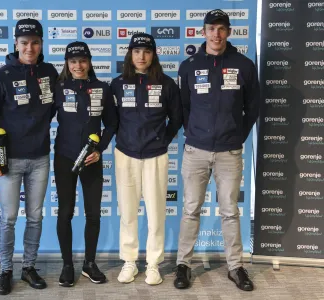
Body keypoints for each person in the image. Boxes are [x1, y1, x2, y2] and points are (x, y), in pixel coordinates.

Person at [174, 9, 260, 291]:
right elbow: (184, 107)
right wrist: (195, 133)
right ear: (203, 31)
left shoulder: (244, 65)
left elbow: (253, 107)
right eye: (211, 28)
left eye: (222, 28)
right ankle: (183, 265)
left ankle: (235, 267)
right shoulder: (188, 65)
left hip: (229, 152)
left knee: (230, 211)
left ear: (229, 32)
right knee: (190, 209)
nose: (216, 33)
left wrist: (237, 136)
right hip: (195, 150)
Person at [0, 18, 58, 295]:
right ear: (16, 43)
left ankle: (29, 268)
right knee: (9, 217)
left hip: (40, 158)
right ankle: (5, 270)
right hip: (8, 160)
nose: (30, 48)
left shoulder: (49, 71)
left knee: (35, 217)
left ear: (41, 44)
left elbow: (59, 109)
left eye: (35, 42)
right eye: (24, 43)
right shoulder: (0, 76)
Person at [111, 33, 182, 285]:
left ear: (154, 55)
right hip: (125, 155)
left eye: (147, 51)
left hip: (155, 155)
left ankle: (153, 264)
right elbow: (112, 120)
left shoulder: (167, 84)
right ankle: (129, 262)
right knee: (128, 213)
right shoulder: (118, 83)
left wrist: (163, 140)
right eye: (137, 51)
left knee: (156, 213)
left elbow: (176, 118)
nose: (142, 56)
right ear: (130, 54)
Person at [52, 41, 118, 287]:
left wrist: (100, 149)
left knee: (93, 213)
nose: (78, 65)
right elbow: (38, 116)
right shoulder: (58, 88)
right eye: (73, 61)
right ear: (67, 64)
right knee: (66, 212)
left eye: (82, 60)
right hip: (64, 157)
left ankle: (89, 264)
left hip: (92, 159)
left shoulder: (102, 88)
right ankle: (67, 265)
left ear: (89, 62)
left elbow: (112, 124)